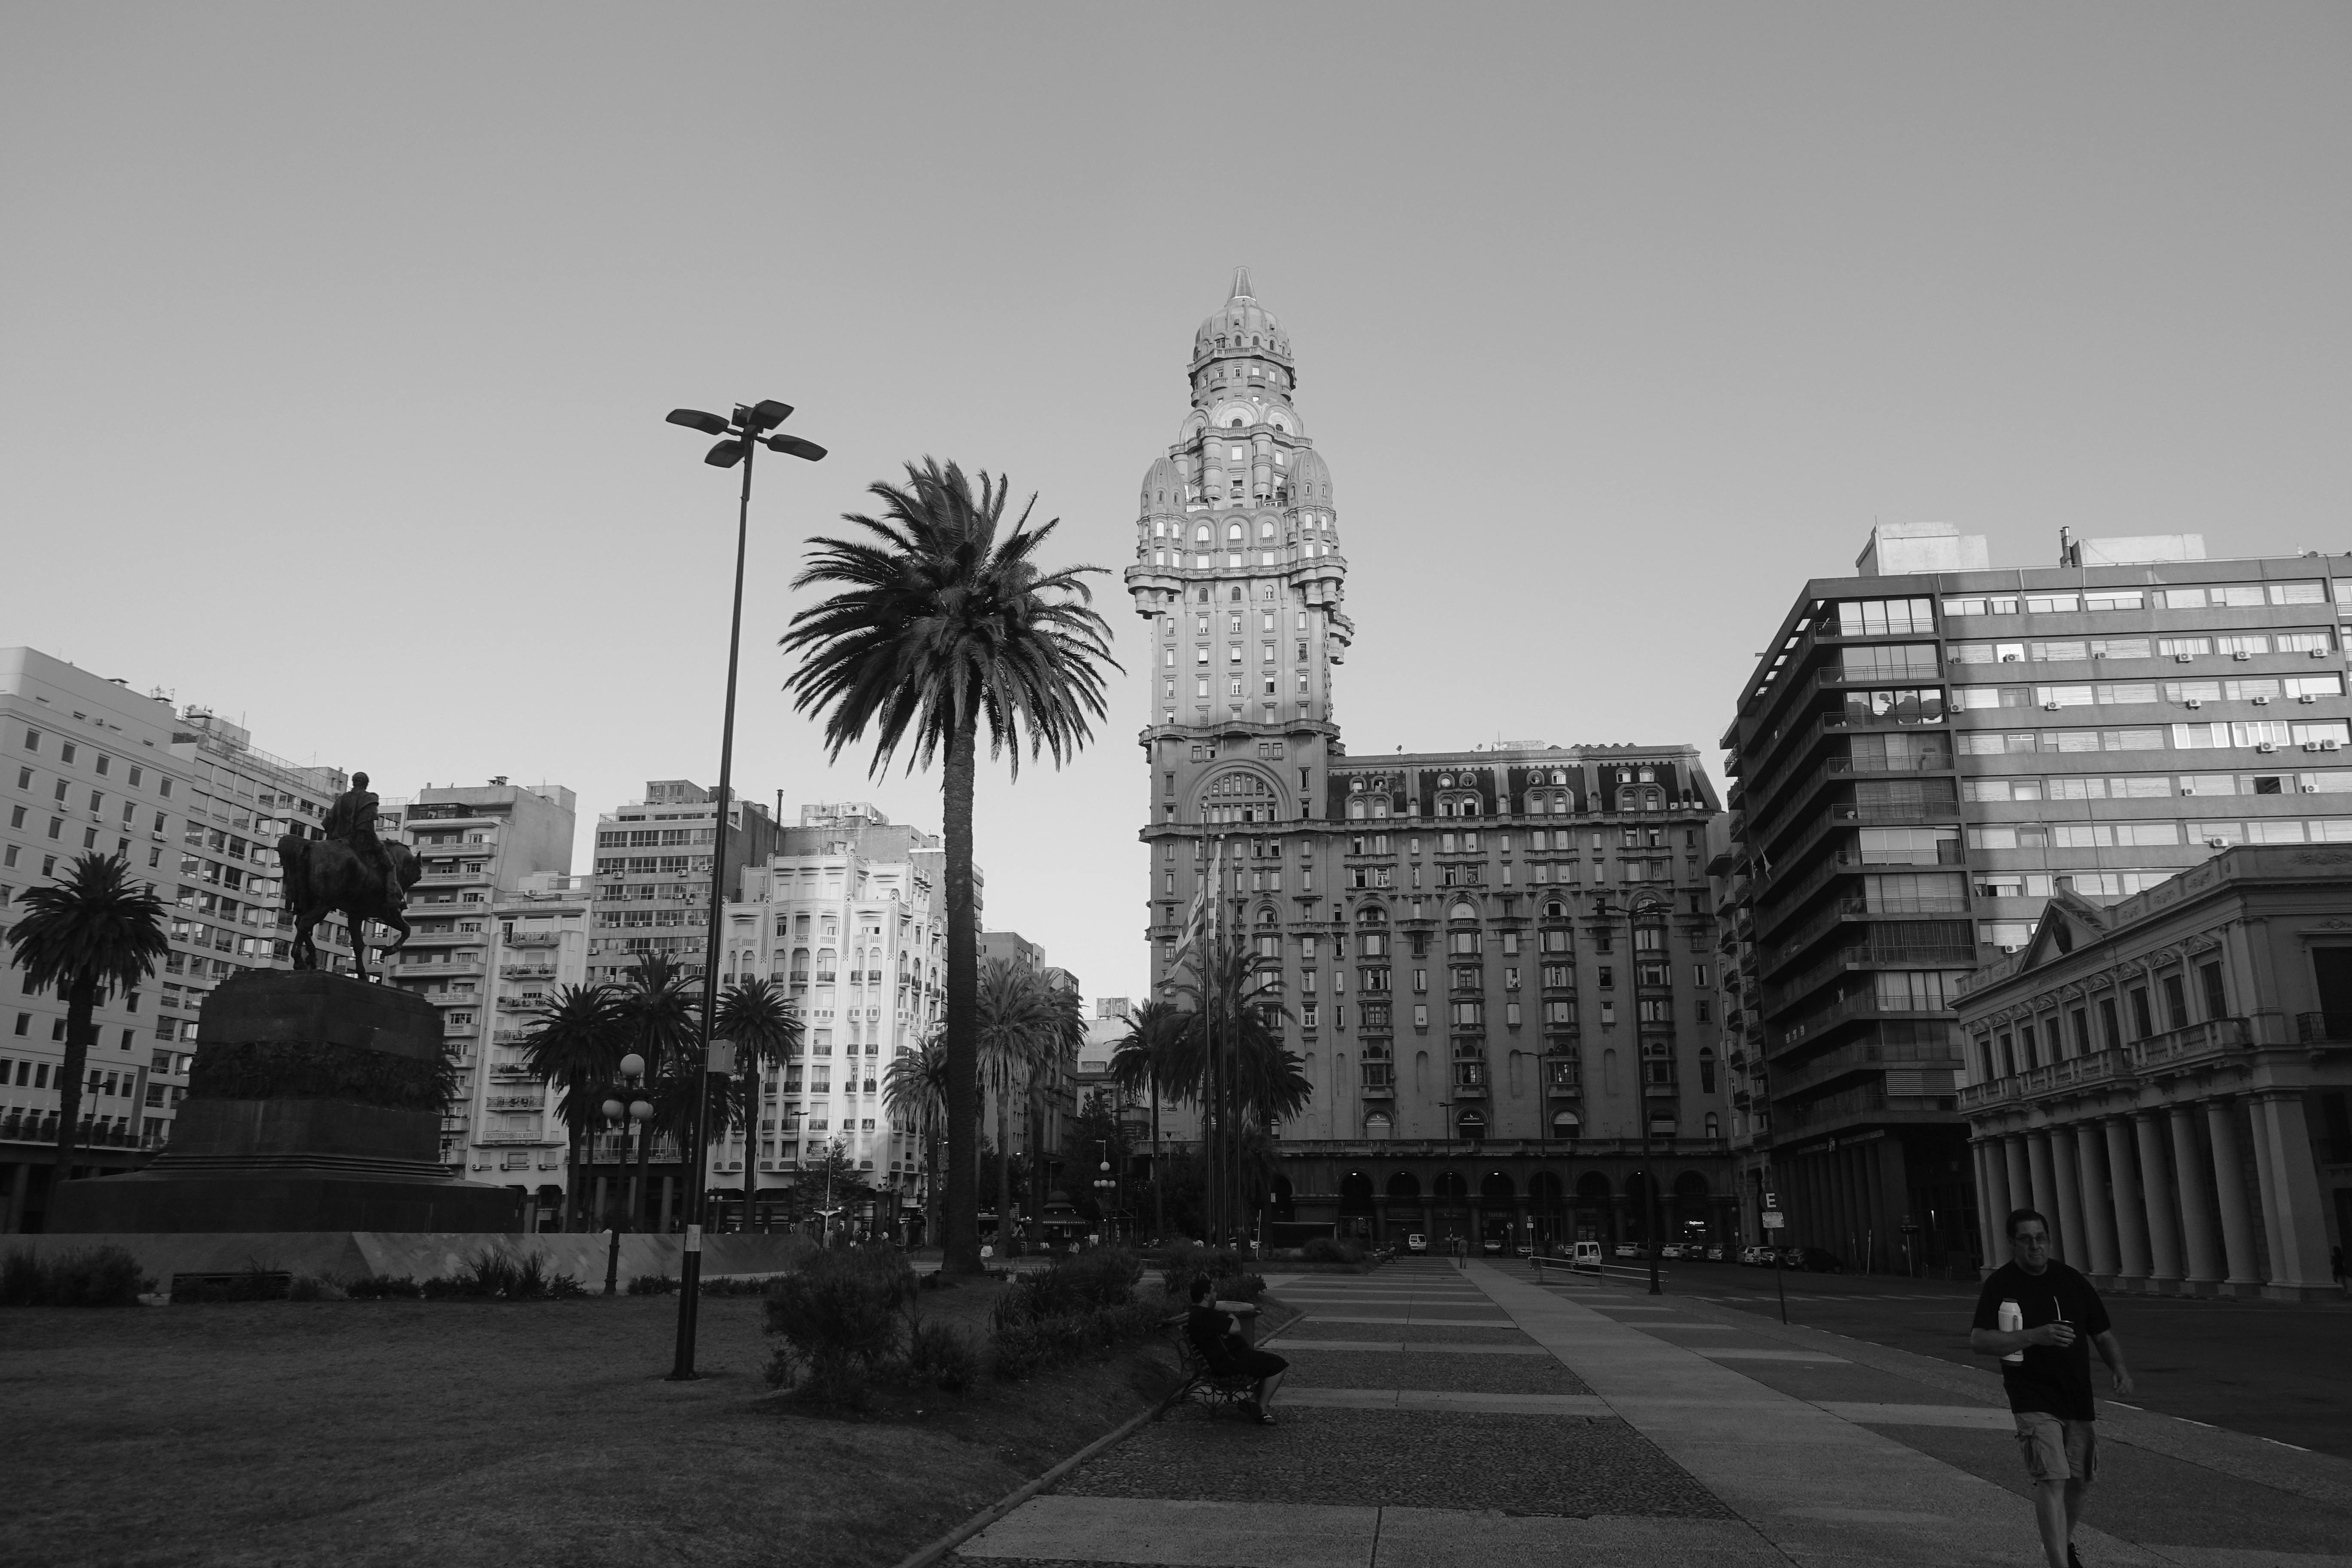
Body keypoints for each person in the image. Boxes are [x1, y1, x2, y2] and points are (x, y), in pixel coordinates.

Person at [1970, 1209, 2135, 1568]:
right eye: (2026, 1239)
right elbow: (1979, 1341)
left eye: (2041, 1238)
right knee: (2053, 1476)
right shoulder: (2001, 1284)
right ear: (2012, 1243)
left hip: (2076, 1395)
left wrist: (2120, 1370)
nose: (2035, 1246)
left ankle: (2058, 1545)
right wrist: (2035, 1336)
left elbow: (2102, 1334)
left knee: (2079, 1480)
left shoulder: (2071, 1280)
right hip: (2031, 1395)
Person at [1186, 1273, 1286, 1425]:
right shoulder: (1206, 1315)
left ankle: (1252, 1402)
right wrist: (1232, 1316)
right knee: (1280, 1366)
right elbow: (1235, 1328)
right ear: (1207, 1296)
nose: (1216, 1295)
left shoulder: (1199, 1314)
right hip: (1228, 1363)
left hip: (1229, 1359)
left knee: (1270, 1363)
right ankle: (1261, 1410)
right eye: (1214, 1292)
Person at [322, 771, 401, 907]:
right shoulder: (369, 799)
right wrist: (375, 843)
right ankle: (391, 897)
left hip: (339, 840)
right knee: (390, 865)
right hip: (359, 842)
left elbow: (328, 822)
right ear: (366, 784)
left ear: (353, 782)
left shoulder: (341, 799)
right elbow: (366, 827)